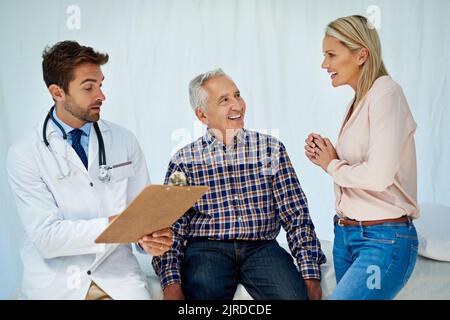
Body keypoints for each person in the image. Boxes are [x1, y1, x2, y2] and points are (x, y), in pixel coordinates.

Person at [7, 40, 173, 299]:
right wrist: (116, 226)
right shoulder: (25, 153)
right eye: (88, 88)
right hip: (56, 282)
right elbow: (47, 238)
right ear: (57, 92)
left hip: (117, 278)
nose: (101, 96)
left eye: (101, 84)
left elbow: (142, 215)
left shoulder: (123, 140)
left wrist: (149, 240)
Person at [152, 68, 326, 300]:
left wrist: (310, 272)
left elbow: (295, 213)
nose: (237, 105)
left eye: (237, 95)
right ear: (203, 115)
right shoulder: (184, 160)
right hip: (206, 249)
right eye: (224, 100)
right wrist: (170, 282)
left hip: (261, 247)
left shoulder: (270, 149)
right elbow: (172, 226)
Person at [304, 15, 419, 299]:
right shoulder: (359, 100)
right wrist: (328, 155)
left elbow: (378, 176)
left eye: (331, 54)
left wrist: (331, 164)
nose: (324, 64)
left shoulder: (386, 94)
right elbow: (359, 165)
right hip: (347, 236)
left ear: (361, 55)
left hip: (383, 240)